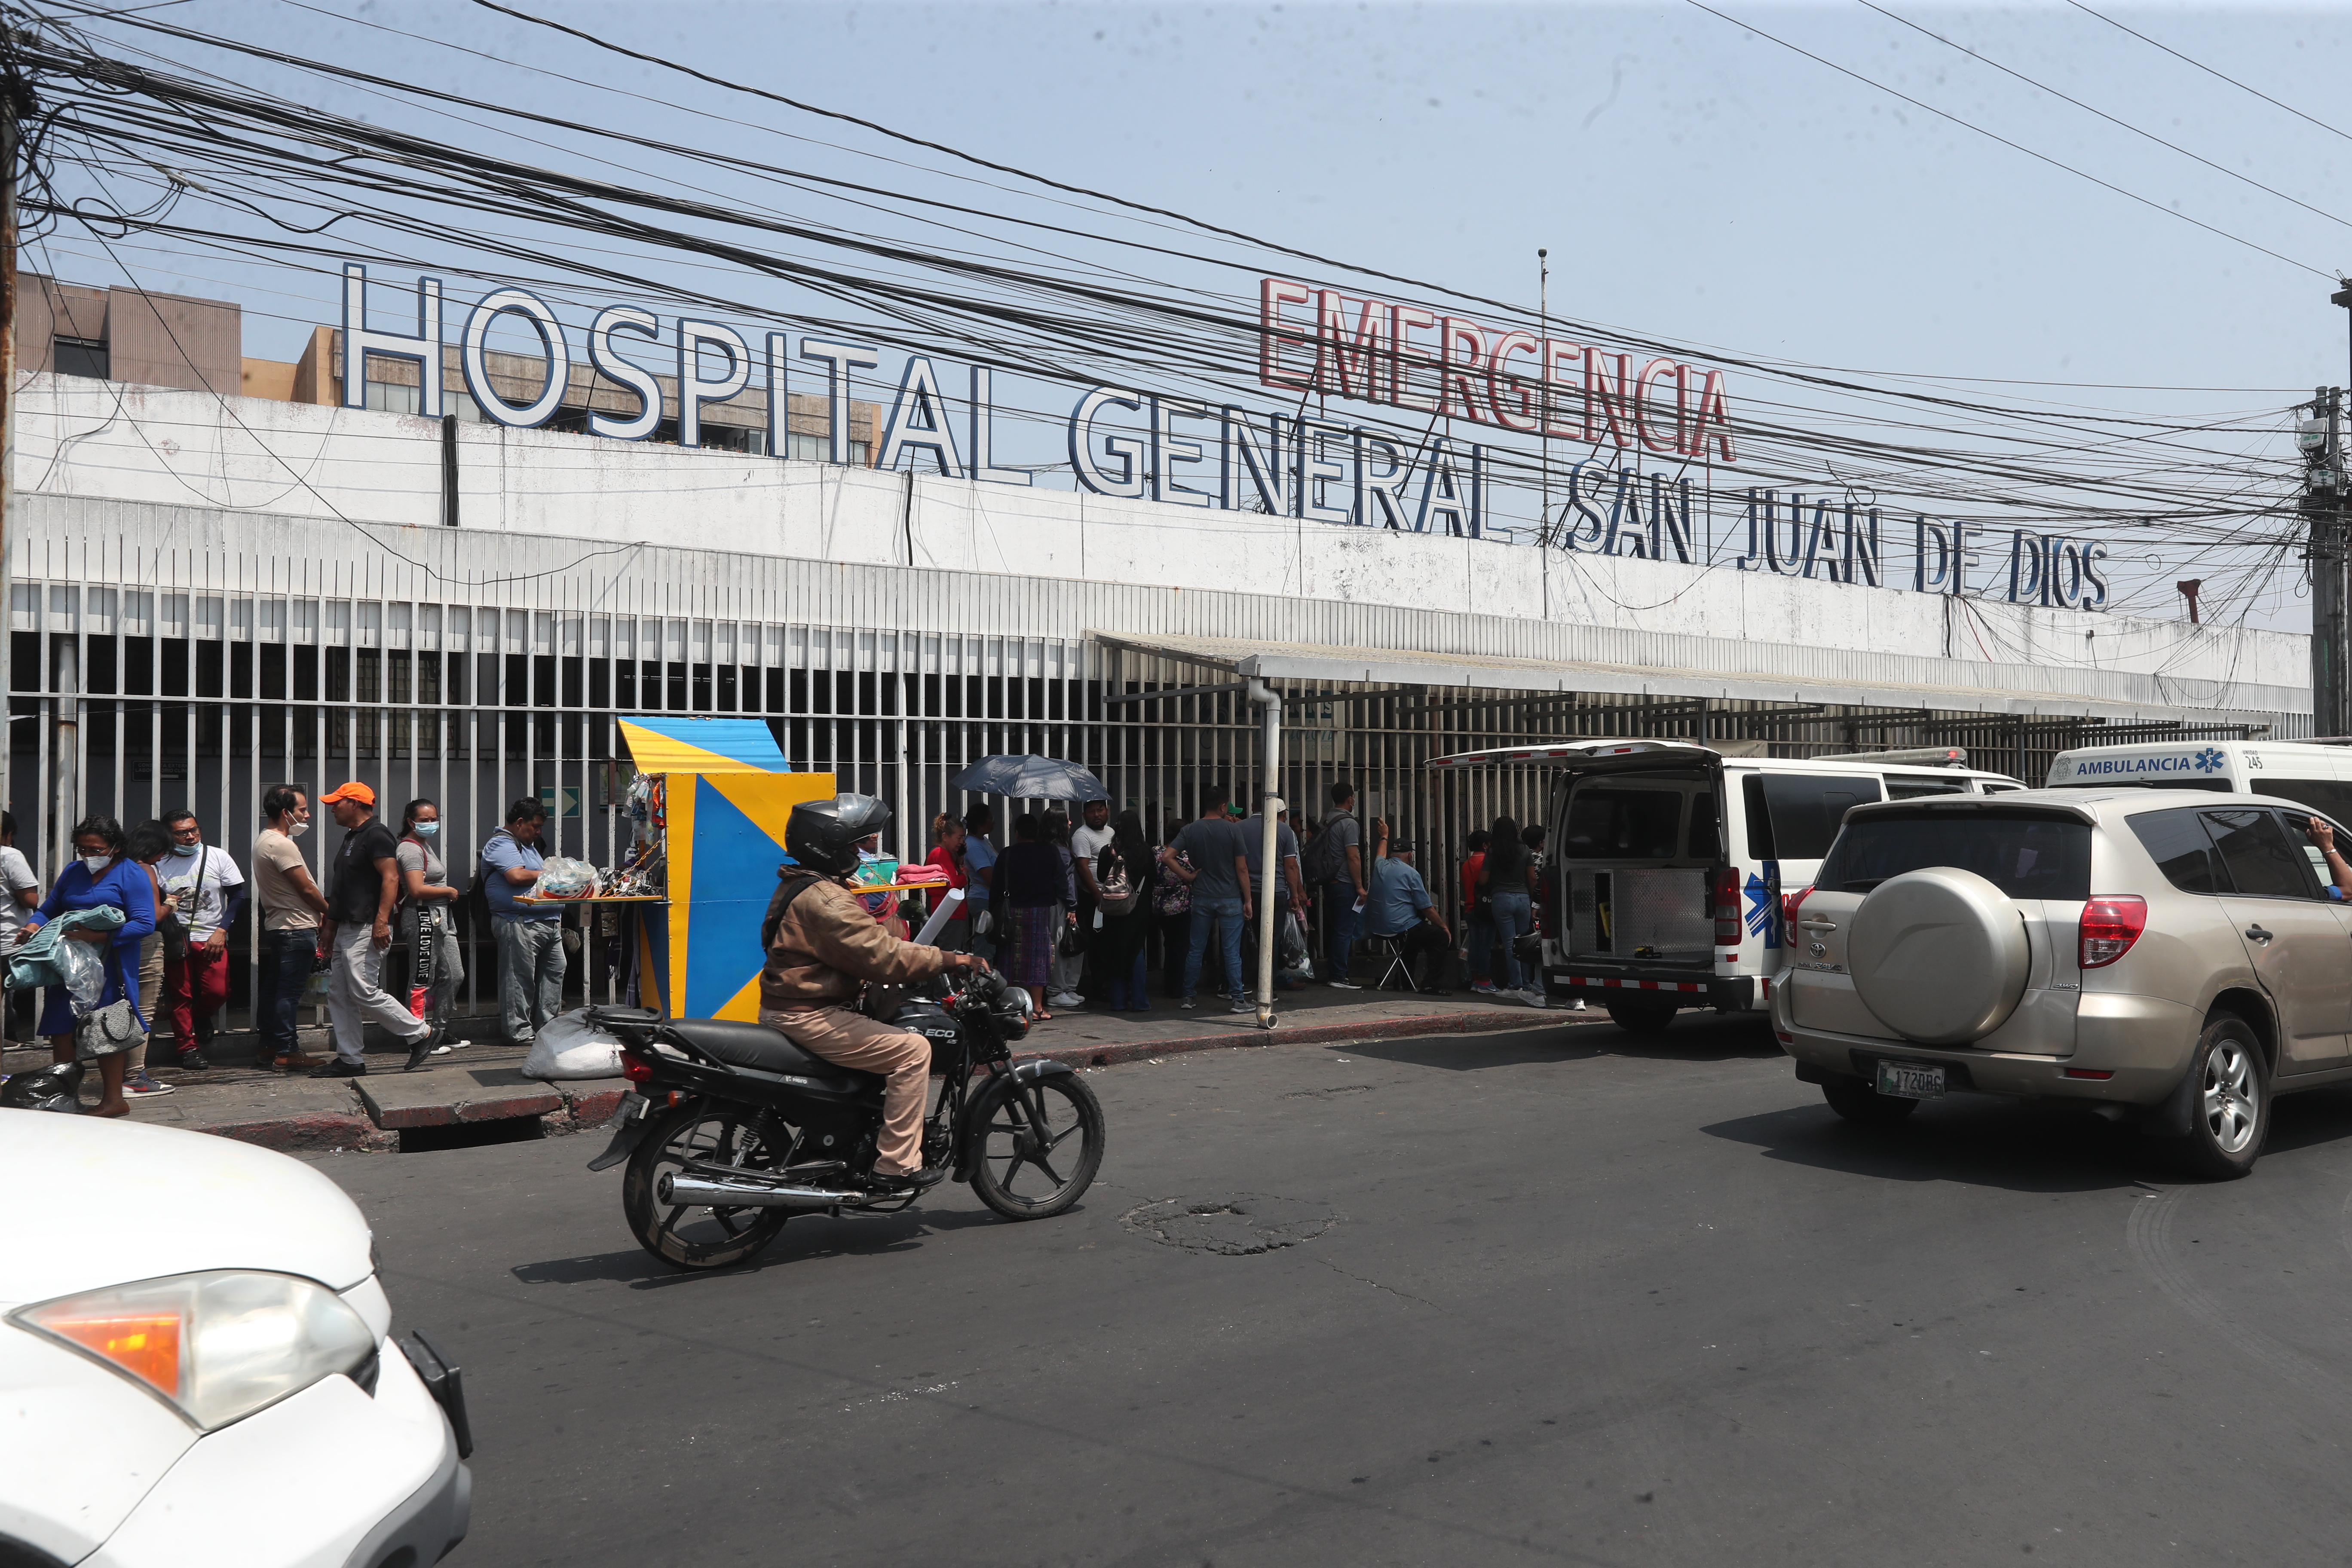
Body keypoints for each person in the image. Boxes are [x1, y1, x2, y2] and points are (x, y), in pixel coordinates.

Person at [759, 793, 990, 1192]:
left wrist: (899, 933)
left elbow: (859, 944)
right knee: (913, 1051)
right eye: (853, 843)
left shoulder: (803, 886)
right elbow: (882, 957)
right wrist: (951, 960)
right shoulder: (826, 899)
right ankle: (896, 1166)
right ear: (828, 844)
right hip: (811, 1015)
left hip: (798, 1007)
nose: (858, 851)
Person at [15, 816, 157, 1117]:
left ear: (116, 847)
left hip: (111, 964)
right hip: (70, 962)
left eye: (96, 849)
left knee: (107, 1029)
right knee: (61, 1027)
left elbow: (145, 922)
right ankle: (65, 1097)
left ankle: (113, 1100)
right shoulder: (73, 871)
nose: (89, 856)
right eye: (83, 850)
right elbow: (50, 907)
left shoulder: (132, 874)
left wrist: (99, 935)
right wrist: (31, 925)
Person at [315, 781, 436, 1078]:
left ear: (355, 804)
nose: (332, 809)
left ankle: (421, 1033)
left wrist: (382, 922)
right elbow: (342, 889)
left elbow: (391, 879)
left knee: (364, 991)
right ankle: (350, 1059)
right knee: (340, 995)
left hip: (367, 927)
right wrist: (330, 928)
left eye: (338, 803)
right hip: (347, 925)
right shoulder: (352, 838)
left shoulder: (376, 834)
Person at [158, 808, 246, 1072]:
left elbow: (238, 896)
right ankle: (188, 1049)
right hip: (175, 938)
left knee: (218, 991)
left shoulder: (217, 856)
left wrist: (223, 930)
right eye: (182, 833)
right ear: (169, 836)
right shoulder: (158, 862)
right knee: (180, 995)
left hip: (210, 936)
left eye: (194, 830)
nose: (191, 837)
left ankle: (202, 1015)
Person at [251, 784, 328, 1071]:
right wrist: (330, 913)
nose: (307, 815)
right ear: (286, 813)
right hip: (296, 927)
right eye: (302, 810)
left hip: (282, 926)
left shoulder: (265, 841)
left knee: (275, 989)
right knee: (289, 992)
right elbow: (306, 889)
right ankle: (287, 1050)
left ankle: (269, 1044)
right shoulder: (280, 844)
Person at [482, 797, 566, 1048]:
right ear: (520, 823)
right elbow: (517, 875)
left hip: (547, 921)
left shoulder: (527, 845)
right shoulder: (502, 843)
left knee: (555, 971)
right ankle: (518, 1031)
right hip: (519, 921)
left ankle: (547, 1027)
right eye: (535, 827)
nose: (538, 832)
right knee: (519, 977)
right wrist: (554, 874)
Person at [1162, 782, 1253, 1013]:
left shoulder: (1190, 830)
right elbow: (1242, 869)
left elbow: (1167, 857)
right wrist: (1249, 900)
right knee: (1231, 951)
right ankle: (1238, 1000)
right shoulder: (1234, 830)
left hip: (1201, 897)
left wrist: (1189, 877)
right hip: (1230, 898)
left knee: (1196, 949)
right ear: (1223, 806)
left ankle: (1188, 997)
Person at [396, 798, 466, 1048]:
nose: (430, 824)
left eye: (433, 819)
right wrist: (447, 890)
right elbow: (415, 889)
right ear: (410, 821)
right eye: (424, 820)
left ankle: (438, 1030)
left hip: (440, 917)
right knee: (422, 978)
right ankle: (418, 1036)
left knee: (454, 975)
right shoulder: (410, 848)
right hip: (423, 917)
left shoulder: (424, 845)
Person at [1365, 819, 1452, 993]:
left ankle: (1404, 982)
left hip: (1376, 928)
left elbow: (1380, 853)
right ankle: (1432, 984)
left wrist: (1384, 835)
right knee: (1439, 937)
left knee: (1414, 937)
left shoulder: (1380, 866)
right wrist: (1444, 927)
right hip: (1399, 928)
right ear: (1410, 856)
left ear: (1392, 854)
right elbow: (1426, 907)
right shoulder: (1411, 874)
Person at [122, 822, 177, 1095]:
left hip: (120, 944)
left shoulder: (119, 867)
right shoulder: (146, 870)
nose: (162, 857)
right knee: (142, 1011)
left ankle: (120, 1072)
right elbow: (154, 915)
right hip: (145, 944)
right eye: (163, 851)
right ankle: (134, 1076)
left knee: (122, 1009)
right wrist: (172, 904)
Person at [996, 813, 1066, 1019]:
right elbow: (1061, 881)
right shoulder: (1049, 852)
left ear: (1017, 833)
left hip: (1012, 912)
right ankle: (1037, 1008)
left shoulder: (1007, 854)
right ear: (1037, 832)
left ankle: (1010, 1007)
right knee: (1038, 958)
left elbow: (997, 886)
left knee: (1010, 958)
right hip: (1040, 911)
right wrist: (1068, 903)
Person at [1240, 804, 1308, 990]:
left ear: (1252, 806)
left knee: (1244, 938)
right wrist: (1294, 895)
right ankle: (1268, 987)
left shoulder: (1239, 828)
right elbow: (1291, 866)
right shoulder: (1285, 830)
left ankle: (1239, 982)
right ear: (1283, 814)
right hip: (1276, 893)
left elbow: (1238, 865)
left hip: (1246, 892)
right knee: (1272, 940)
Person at [1096, 810, 1157, 1011]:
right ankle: (1140, 1001)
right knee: (1136, 950)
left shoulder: (1108, 851)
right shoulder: (1146, 852)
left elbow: (1101, 875)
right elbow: (1154, 878)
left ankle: (1118, 1001)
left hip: (1114, 908)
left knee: (1116, 951)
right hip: (1138, 908)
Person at [1480, 813, 1541, 999]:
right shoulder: (1524, 850)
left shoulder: (1492, 852)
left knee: (1510, 944)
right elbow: (1532, 878)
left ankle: (1515, 986)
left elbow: (1482, 880)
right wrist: (1533, 900)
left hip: (1501, 898)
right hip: (1523, 898)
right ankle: (1526, 983)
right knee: (1525, 943)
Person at [1318, 780, 1368, 989]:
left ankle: (1336, 972)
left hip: (1329, 882)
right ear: (1350, 799)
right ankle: (1338, 976)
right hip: (1344, 883)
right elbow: (1353, 857)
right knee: (1344, 930)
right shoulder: (1349, 824)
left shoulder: (1325, 820)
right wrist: (1359, 886)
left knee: (1336, 928)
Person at [0, 812, 40, 1042]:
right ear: (9, 835)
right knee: (9, 1007)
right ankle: (11, 1049)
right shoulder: (9, 855)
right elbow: (31, 900)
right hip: (8, 942)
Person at [1069, 796, 1114, 996]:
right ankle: (1099, 986)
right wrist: (1097, 895)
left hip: (1113, 896)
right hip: (1093, 898)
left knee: (1110, 942)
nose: (1097, 815)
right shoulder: (1082, 835)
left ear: (1107, 811)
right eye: (1092, 811)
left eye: (1100, 810)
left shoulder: (1111, 832)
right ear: (1084, 815)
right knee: (1097, 943)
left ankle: (1111, 982)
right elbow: (1082, 866)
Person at [1043, 807, 1084, 1009]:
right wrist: (1072, 906)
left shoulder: (1048, 847)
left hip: (1055, 901)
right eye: (1067, 820)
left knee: (1066, 944)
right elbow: (1065, 881)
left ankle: (1065, 988)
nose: (1070, 823)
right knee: (1062, 946)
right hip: (1060, 902)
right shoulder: (1059, 850)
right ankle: (1058, 990)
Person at [1155, 814, 1193, 999]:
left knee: (1169, 945)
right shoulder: (1186, 856)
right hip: (1183, 906)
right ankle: (1179, 987)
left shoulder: (1155, 852)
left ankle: (1169, 985)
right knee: (1182, 948)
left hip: (1160, 907)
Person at [923, 812, 971, 950]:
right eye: (959, 838)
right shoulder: (941, 854)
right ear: (945, 837)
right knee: (950, 954)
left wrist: (959, 861)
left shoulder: (947, 855)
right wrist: (964, 875)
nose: (962, 842)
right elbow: (953, 883)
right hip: (949, 914)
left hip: (949, 913)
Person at [962, 803, 999, 960]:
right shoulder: (973, 846)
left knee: (990, 946)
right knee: (984, 949)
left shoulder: (983, 841)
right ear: (979, 823)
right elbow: (989, 876)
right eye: (990, 819)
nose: (994, 822)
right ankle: (981, 982)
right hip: (982, 899)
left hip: (989, 898)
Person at [1460, 830, 1494, 993]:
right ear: (1485, 845)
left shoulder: (1466, 864)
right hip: (1485, 909)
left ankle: (1475, 980)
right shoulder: (1486, 862)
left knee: (1475, 945)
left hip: (1470, 908)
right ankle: (1485, 981)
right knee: (1486, 946)